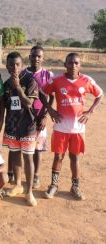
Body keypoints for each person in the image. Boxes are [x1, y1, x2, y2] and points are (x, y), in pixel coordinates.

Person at [43, 53, 103, 200]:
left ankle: (75, 187)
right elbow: (41, 92)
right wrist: (50, 110)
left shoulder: (87, 80)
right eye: (70, 63)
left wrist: (89, 112)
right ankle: (54, 186)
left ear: (80, 65)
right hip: (61, 127)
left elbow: (100, 94)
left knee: (74, 158)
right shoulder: (56, 81)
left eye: (76, 63)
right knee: (58, 156)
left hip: (78, 129)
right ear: (65, 64)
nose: (73, 65)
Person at [2, 52, 39, 206]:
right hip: (12, 125)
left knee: (28, 157)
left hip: (28, 126)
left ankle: (29, 191)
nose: (14, 67)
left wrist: (18, 87)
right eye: (11, 64)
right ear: (7, 66)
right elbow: (4, 105)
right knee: (15, 155)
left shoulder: (30, 81)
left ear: (22, 65)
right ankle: (18, 185)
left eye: (17, 64)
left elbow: (28, 103)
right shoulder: (5, 85)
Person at [20, 45, 54, 189]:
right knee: (27, 148)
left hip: (40, 117)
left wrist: (45, 116)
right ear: (29, 57)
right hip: (25, 117)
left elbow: (51, 97)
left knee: (38, 149)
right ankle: (20, 175)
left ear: (43, 58)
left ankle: (36, 176)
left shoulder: (48, 75)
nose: (36, 58)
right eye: (33, 56)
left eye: (39, 56)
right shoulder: (22, 73)